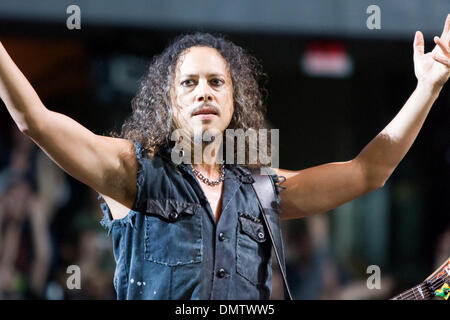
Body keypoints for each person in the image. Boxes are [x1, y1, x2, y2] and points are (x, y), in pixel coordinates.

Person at [1, 15, 450, 299]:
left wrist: (427, 89)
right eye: (189, 83)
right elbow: (35, 120)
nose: (204, 93)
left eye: (217, 83)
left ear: (234, 101)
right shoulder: (131, 172)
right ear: (170, 103)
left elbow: (367, 171)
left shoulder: (261, 186)